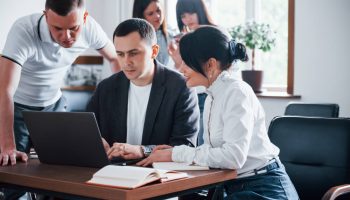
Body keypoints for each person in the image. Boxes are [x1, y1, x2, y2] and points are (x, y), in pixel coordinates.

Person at [138, 26, 299, 199]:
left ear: (211, 64)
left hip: (264, 188)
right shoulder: (211, 97)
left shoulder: (237, 92)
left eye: (186, 62)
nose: (181, 69)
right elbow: (214, 151)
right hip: (232, 186)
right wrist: (175, 151)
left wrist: (175, 154)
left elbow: (233, 157)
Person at [0, 0, 119, 167]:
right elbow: (4, 89)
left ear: (84, 17)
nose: (66, 37)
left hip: (54, 105)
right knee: (14, 169)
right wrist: (7, 146)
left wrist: (120, 98)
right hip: (17, 107)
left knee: (62, 168)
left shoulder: (90, 28)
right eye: (58, 29)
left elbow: (114, 58)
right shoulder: (23, 30)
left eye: (73, 28)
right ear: (46, 16)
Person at [87, 18, 199, 161]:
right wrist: (94, 141)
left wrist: (144, 150)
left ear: (154, 51)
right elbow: (86, 130)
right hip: (112, 171)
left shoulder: (181, 88)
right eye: (120, 54)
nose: (126, 62)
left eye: (133, 53)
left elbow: (185, 146)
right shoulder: (105, 88)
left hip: (159, 175)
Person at [169, 0, 216, 147]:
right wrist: (177, 60)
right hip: (194, 97)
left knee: (206, 144)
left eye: (191, 13)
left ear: (200, 10)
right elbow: (183, 72)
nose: (187, 19)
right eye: (183, 16)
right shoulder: (184, 40)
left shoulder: (216, 33)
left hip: (211, 95)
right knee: (195, 144)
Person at [132, 0, 172, 66]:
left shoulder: (172, 35)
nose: (157, 16)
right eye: (150, 13)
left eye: (158, 10)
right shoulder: (134, 40)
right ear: (141, 17)